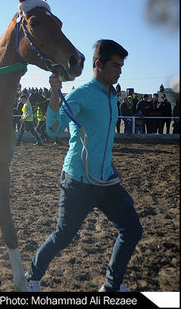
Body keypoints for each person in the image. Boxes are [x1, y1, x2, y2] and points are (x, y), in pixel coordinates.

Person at [25, 39, 143, 292]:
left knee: (132, 229)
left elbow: (103, 138)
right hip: (78, 182)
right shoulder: (82, 94)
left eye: (121, 66)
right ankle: (32, 275)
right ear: (98, 64)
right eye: (115, 65)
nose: (120, 71)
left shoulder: (113, 95)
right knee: (63, 236)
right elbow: (52, 128)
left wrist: (109, 165)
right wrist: (55, 96)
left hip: (107, 180)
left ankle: (111, 286)